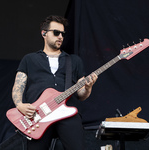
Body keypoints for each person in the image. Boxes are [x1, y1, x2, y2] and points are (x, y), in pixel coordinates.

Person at [12, 15, 98, 150]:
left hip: (67, 113)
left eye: (63, 34)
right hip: (37, 115)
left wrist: (88, 88)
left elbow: (81, 95)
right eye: (56, 33)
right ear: (44, 33)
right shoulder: (29, 59)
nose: (60, 37)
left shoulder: (74, 61)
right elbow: (18, 86)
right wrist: (19, 105)